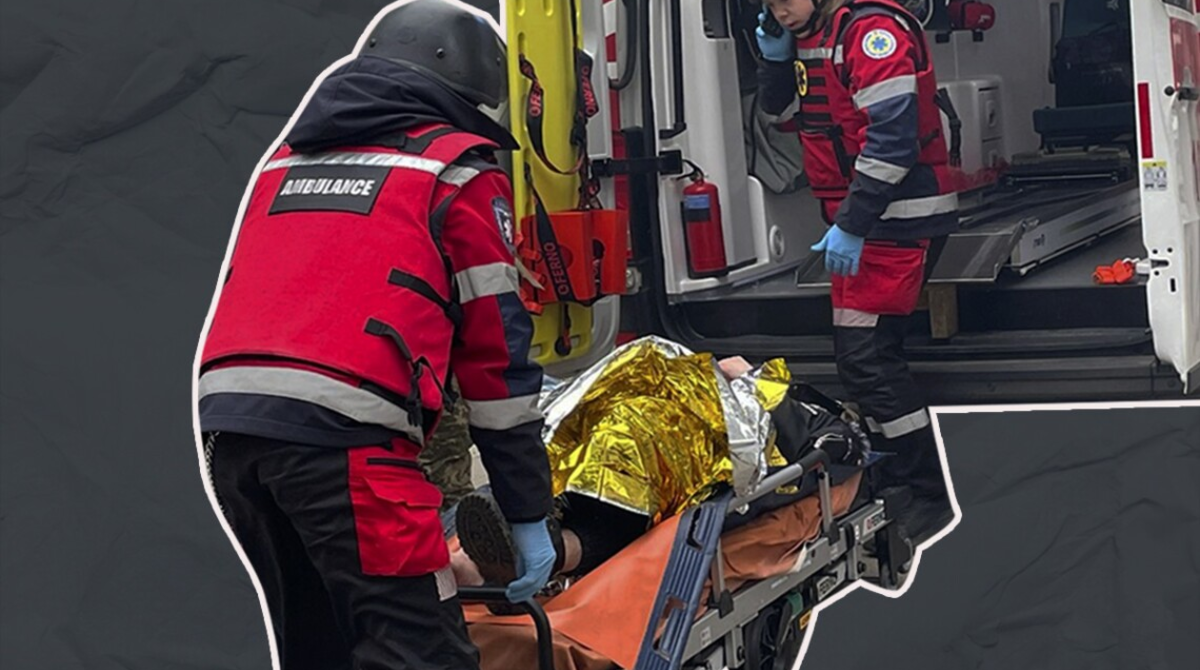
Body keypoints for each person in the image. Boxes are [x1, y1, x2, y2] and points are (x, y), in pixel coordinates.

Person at [195, 2, 556, 668]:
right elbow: (497, 362)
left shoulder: (284, 163)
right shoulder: (458, 171)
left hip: (231, 434)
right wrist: (527, 509)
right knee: (421, 653)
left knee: (318, 650)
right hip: (344, 442)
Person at [755, 0, 956, 541]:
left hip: (895, 221)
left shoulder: (871, 33)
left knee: (868, 361)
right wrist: (774, 62)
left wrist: (853, 224)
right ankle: (894, 479)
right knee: (862, 361)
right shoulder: (812, 34)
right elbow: (781, 114)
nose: (779, 10)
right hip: (866, 223)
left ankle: (924, 492)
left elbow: (892, 143)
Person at [453, 357, 871, 595]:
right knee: (619, 476)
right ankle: (542, 546)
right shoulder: (823, 424)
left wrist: (746, 379)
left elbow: (823, 451)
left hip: (687, 435)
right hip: (672, 422)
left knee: (619, 469)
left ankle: (521, 531)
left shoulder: (814, 419)